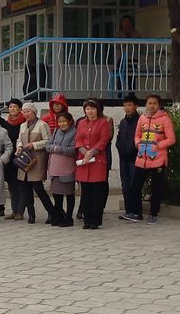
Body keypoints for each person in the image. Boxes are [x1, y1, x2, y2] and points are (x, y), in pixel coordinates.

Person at [122, 94, 175, 224]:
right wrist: (138, 143)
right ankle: (137, 213)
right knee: (135, 186)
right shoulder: (142, 118)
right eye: (149, 103)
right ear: (146, 105)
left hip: (158, 159)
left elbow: (171, 139)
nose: (151, 105)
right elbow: (137, 134)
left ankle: (153, 214)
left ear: (159, 105)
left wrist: (158, 145)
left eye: (154, 103)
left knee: (156, 188)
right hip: (141, 158)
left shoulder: (164, 119)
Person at [75, 99, 113, 229]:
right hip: (84, 160)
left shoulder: (103, 123)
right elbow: (78, 140)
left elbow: (104, 140)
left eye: (92, 108)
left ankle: (95, 220)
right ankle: (87, 219)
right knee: (85, 192)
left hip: (97, 160)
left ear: (97, 110)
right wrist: (85, 152)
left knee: (97, 192)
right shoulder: (81, 123)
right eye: (87, 109)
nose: (89, 111)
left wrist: (91, 152)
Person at [14, 103, 55, 224]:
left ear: (34, 112)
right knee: (25, 188)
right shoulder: (22, 126)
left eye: (28, 112)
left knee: (38, 188)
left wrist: (34, 145)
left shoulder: (42, 125)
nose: (26, 114)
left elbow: (48, 141)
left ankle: (51, 212)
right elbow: (19, 140)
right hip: (25, 159)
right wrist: (19, 147)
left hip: (37, 159)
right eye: (24, 112)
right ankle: (31, 214)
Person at [45, 111, 78, 227]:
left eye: (64, 121)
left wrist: (57, 149)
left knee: (69, 194)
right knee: (56, 194)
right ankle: (58, 216)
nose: (62, 124)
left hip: (68, 168)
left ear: (69, 121)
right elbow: (48, 146)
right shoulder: (57, 131)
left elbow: (73, 149)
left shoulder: (74, 132)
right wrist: (55, 148)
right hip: (55, 167)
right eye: (60, 121)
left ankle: (69, 217)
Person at [115, 95, 141, 214]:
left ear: (136, 106)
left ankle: (136, 211)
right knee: (125, 185)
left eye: (130, 105)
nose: (127, 108)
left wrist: (133, 151)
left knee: (134, 184)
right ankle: (128, 210)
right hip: (123, 158)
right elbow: (119, 139)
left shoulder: (141, 121)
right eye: (125, 105)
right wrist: (121, 150)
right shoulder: (123, 122)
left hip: (135, 158)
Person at [2, 99, 25, 219]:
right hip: (9, 157)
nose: (12, 109)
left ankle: (20, 211)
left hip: (21, 156)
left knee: (21, 184)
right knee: (11, 185)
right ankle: (14, 210)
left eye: (15, 107)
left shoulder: (24, 123)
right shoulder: (5, 124)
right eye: (10, 107)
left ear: (20, 109)